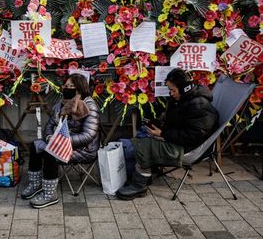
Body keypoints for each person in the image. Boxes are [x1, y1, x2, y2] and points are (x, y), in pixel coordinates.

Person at [116, 68, 218, 200]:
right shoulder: (184, 99)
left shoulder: (198, 105)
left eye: (173, 90)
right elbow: (178, 122)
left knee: (140, 146)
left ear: (184, 88)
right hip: (176, 140)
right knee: (137, 139)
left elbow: (192, 136)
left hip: (186, 148)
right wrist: (159, 124)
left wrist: (163, 134)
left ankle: (139, 186)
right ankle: (140, 176)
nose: (171, 94)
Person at [21, 73, 100, 208]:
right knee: (35, 145)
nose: (67, 88)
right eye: (66, 85)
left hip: (83, 148)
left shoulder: (89, 106)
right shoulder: (61, 104)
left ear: (80, 89)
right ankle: (36, 183)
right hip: (59, 141)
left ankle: (50, 194)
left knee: (51, 152)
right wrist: (49, 137)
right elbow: (50, 125)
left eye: (71, 86)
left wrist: (61, 142)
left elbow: (88, 135)